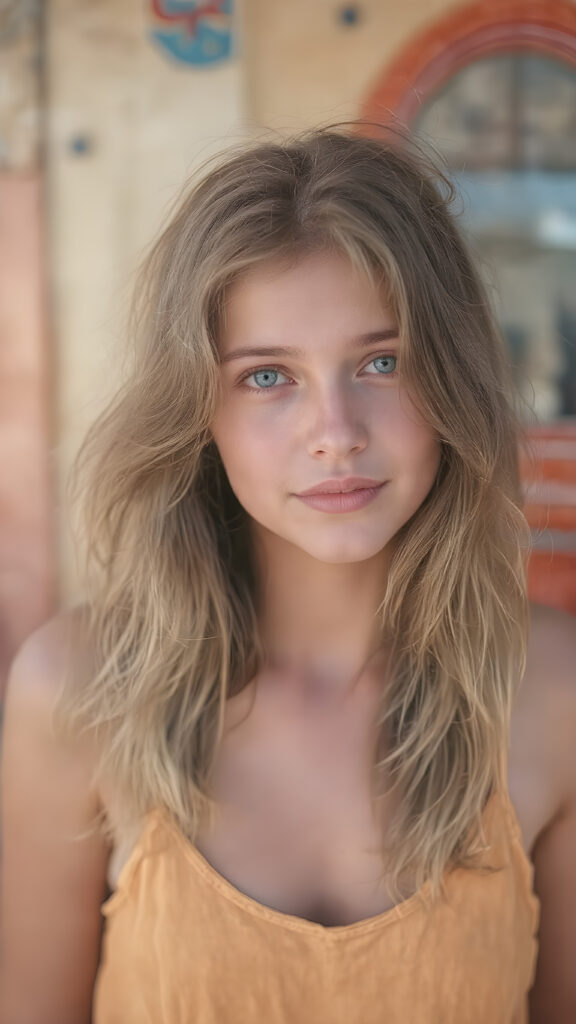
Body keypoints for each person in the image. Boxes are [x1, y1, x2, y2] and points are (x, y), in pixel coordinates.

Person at [1, 125, 575, 1024]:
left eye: (382, 363)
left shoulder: (554, 691)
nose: (336, 429)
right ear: (198, 414)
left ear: (450, 383)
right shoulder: (76, 690)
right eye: (268, 377)